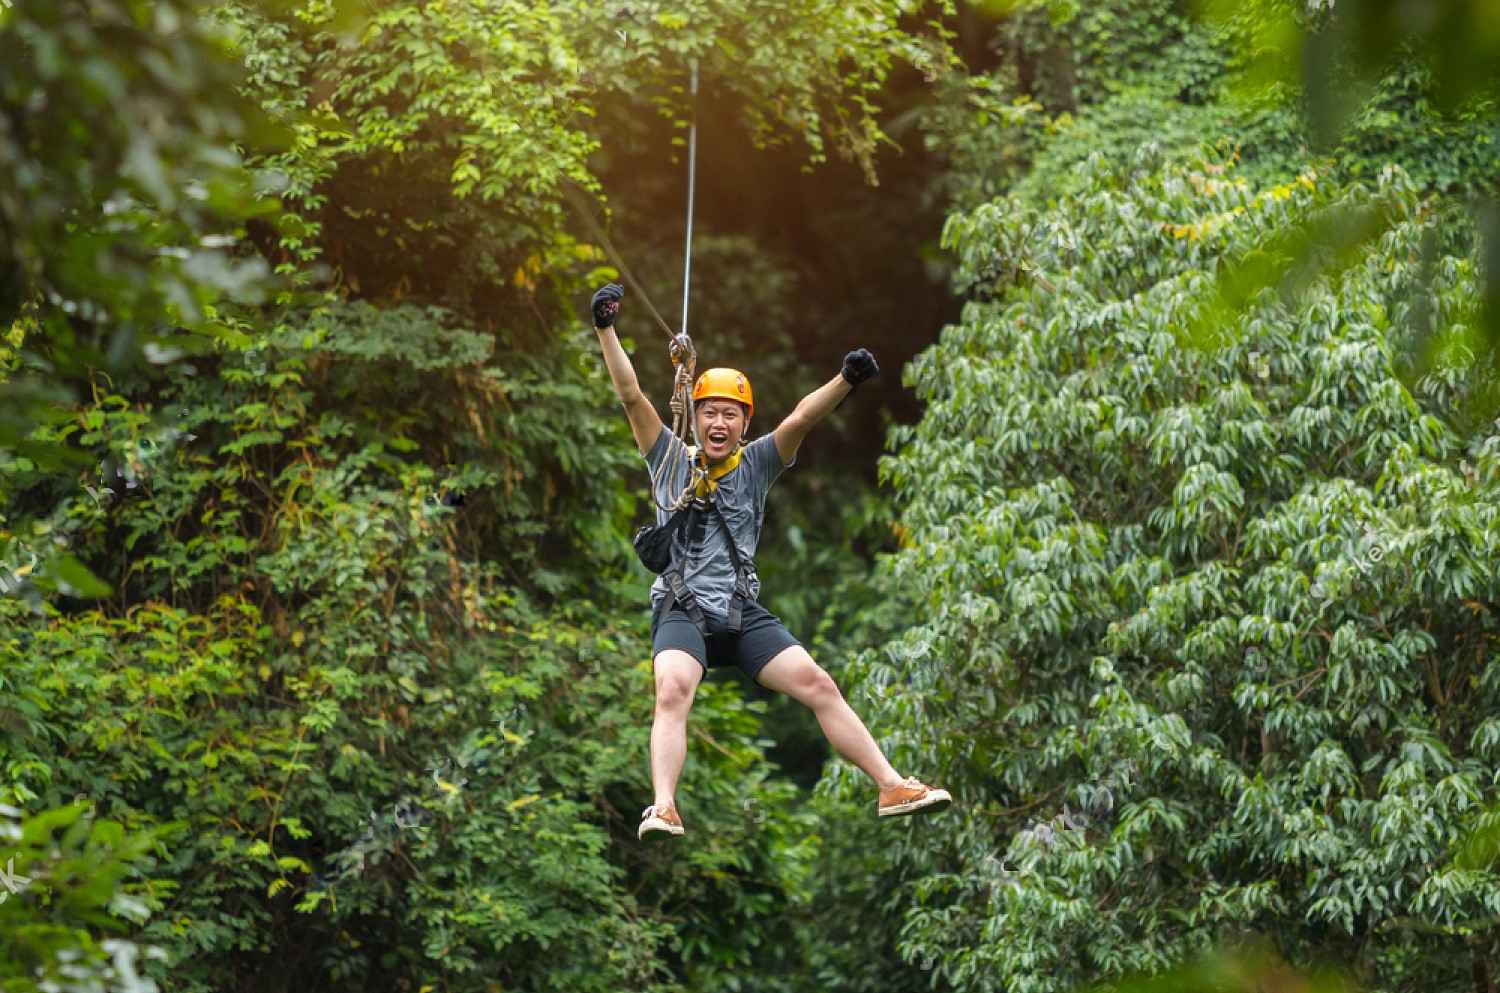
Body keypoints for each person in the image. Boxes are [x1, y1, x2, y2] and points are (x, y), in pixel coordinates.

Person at [589, 283, 952, 840]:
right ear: (694, 412)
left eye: (729, 415)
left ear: (742, 421)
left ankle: (891, 785)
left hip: (737, 613)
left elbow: (800, 420)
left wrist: (845, 380)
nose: (717, 422)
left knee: (818, 684)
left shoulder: (757, 463)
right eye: (708, 411)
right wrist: (606, 328)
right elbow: (631, 395)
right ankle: (664, 806)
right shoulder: (666, 457)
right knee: (671, 691)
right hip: (682, 609)